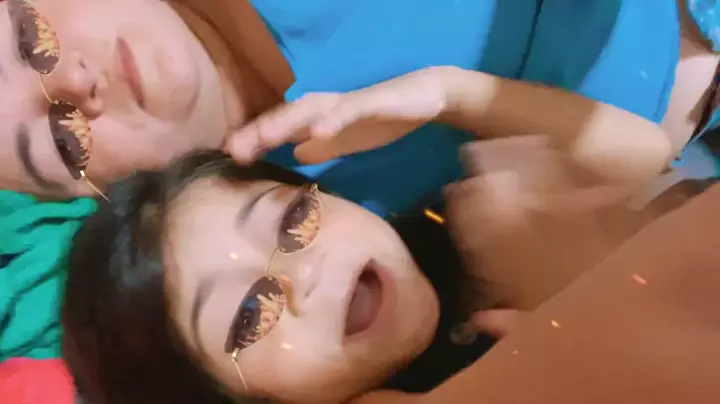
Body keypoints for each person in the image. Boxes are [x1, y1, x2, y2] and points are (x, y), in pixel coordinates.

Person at [4, 0, 707, 216]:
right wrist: (450, 97)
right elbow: (640, 181)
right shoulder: (288, 236)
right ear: (108, 194)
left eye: (30, 36)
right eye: (62, 142)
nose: (73, 83)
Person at [62, 150, 494, 404]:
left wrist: (456, 95)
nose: (304, 270)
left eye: (293, 220)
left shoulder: (486, 216)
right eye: (250, 314)